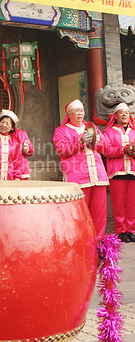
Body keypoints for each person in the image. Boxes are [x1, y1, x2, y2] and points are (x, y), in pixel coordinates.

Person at [53, 99, 108, 240]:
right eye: (76, 110)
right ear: (69, 114)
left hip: (98, 176)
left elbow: (104, 148)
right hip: (78, 179)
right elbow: (63, 150)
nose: (80, 113)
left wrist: (96, 141)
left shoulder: (92, 127)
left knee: (99, 214)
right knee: (79, 214)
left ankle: (99, 245)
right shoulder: (61, 131)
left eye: (82, 110)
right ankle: (80, 243)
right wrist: (79, 140)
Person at [103, 102, 135, 243]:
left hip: (133, 171)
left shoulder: (134, 132)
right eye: (121, 113)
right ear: (115, 116)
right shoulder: (108, 132)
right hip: (116, 173)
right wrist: (123, 150)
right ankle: (121, 231)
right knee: (118, 204)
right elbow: (106, 151)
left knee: (132, 203)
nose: (124, 115)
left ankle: (131, 230)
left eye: (126, 113)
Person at [0, 110, 22, 180]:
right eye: (2, 122)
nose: (4, 125)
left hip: (9, 177)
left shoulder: (14, 141)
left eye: (7, 124)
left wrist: (17, 177)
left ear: (12, 128)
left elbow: (17, 161)